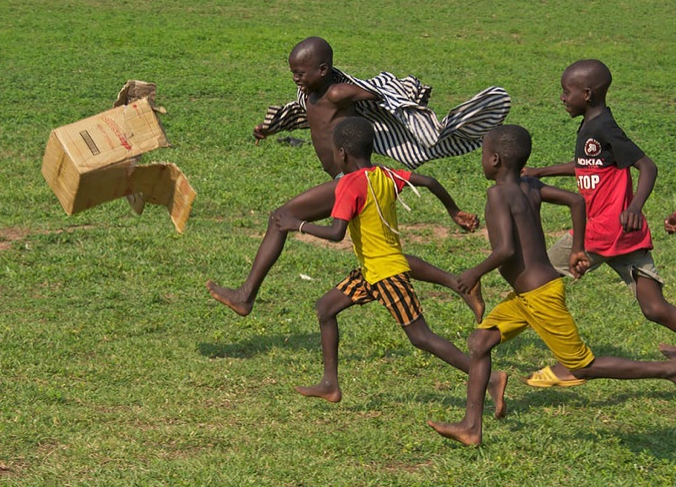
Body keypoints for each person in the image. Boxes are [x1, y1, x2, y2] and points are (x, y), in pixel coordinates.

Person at [207, 36, 510, 318]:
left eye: (301, 72)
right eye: (293, 72)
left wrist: (404, 95)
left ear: (324, 70)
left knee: (280, 217)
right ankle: (460, 283)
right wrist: (271, 128)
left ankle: (246, 296)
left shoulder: (338, 92)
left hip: (348, 179)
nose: (296, 78)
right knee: (385, 258)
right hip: (352, 178)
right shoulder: (309, 93)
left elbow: (379, 94)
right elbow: (312, 119)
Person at [426, 124, 676, 447]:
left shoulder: (497, 194)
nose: (483, 161)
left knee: (584, 367)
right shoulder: (530, 185)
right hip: (526, 296)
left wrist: (475, 272)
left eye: (484, 155)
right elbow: (576, 200)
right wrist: (577, 248)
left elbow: (506, 250)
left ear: (496, 160)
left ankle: (667, 371)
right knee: (480, 342)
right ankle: (471, 426)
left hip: (539, 296)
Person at [275, 117, 508, 409]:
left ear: (342, 154)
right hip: (371, 272)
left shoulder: (349, 185)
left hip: (386, 274)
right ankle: (329, 384)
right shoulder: (385, 174)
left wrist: (297, 225)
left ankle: (491, 379)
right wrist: (454, 211)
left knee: (422, 337)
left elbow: (336, 233)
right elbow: (430, 181)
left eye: (334, 153)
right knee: (325, 308)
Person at [522, 59, 676, 386]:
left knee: (536, 278)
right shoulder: (592, 127)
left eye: (567, 91)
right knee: (654, 308)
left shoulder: (605, 127)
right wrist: (541, 172)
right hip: (623, 236)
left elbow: (647, 166)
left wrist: (635, 205)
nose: (562, 98)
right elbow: (586, 165)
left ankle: (567, 362)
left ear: (587, 94)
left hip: (604, 231)